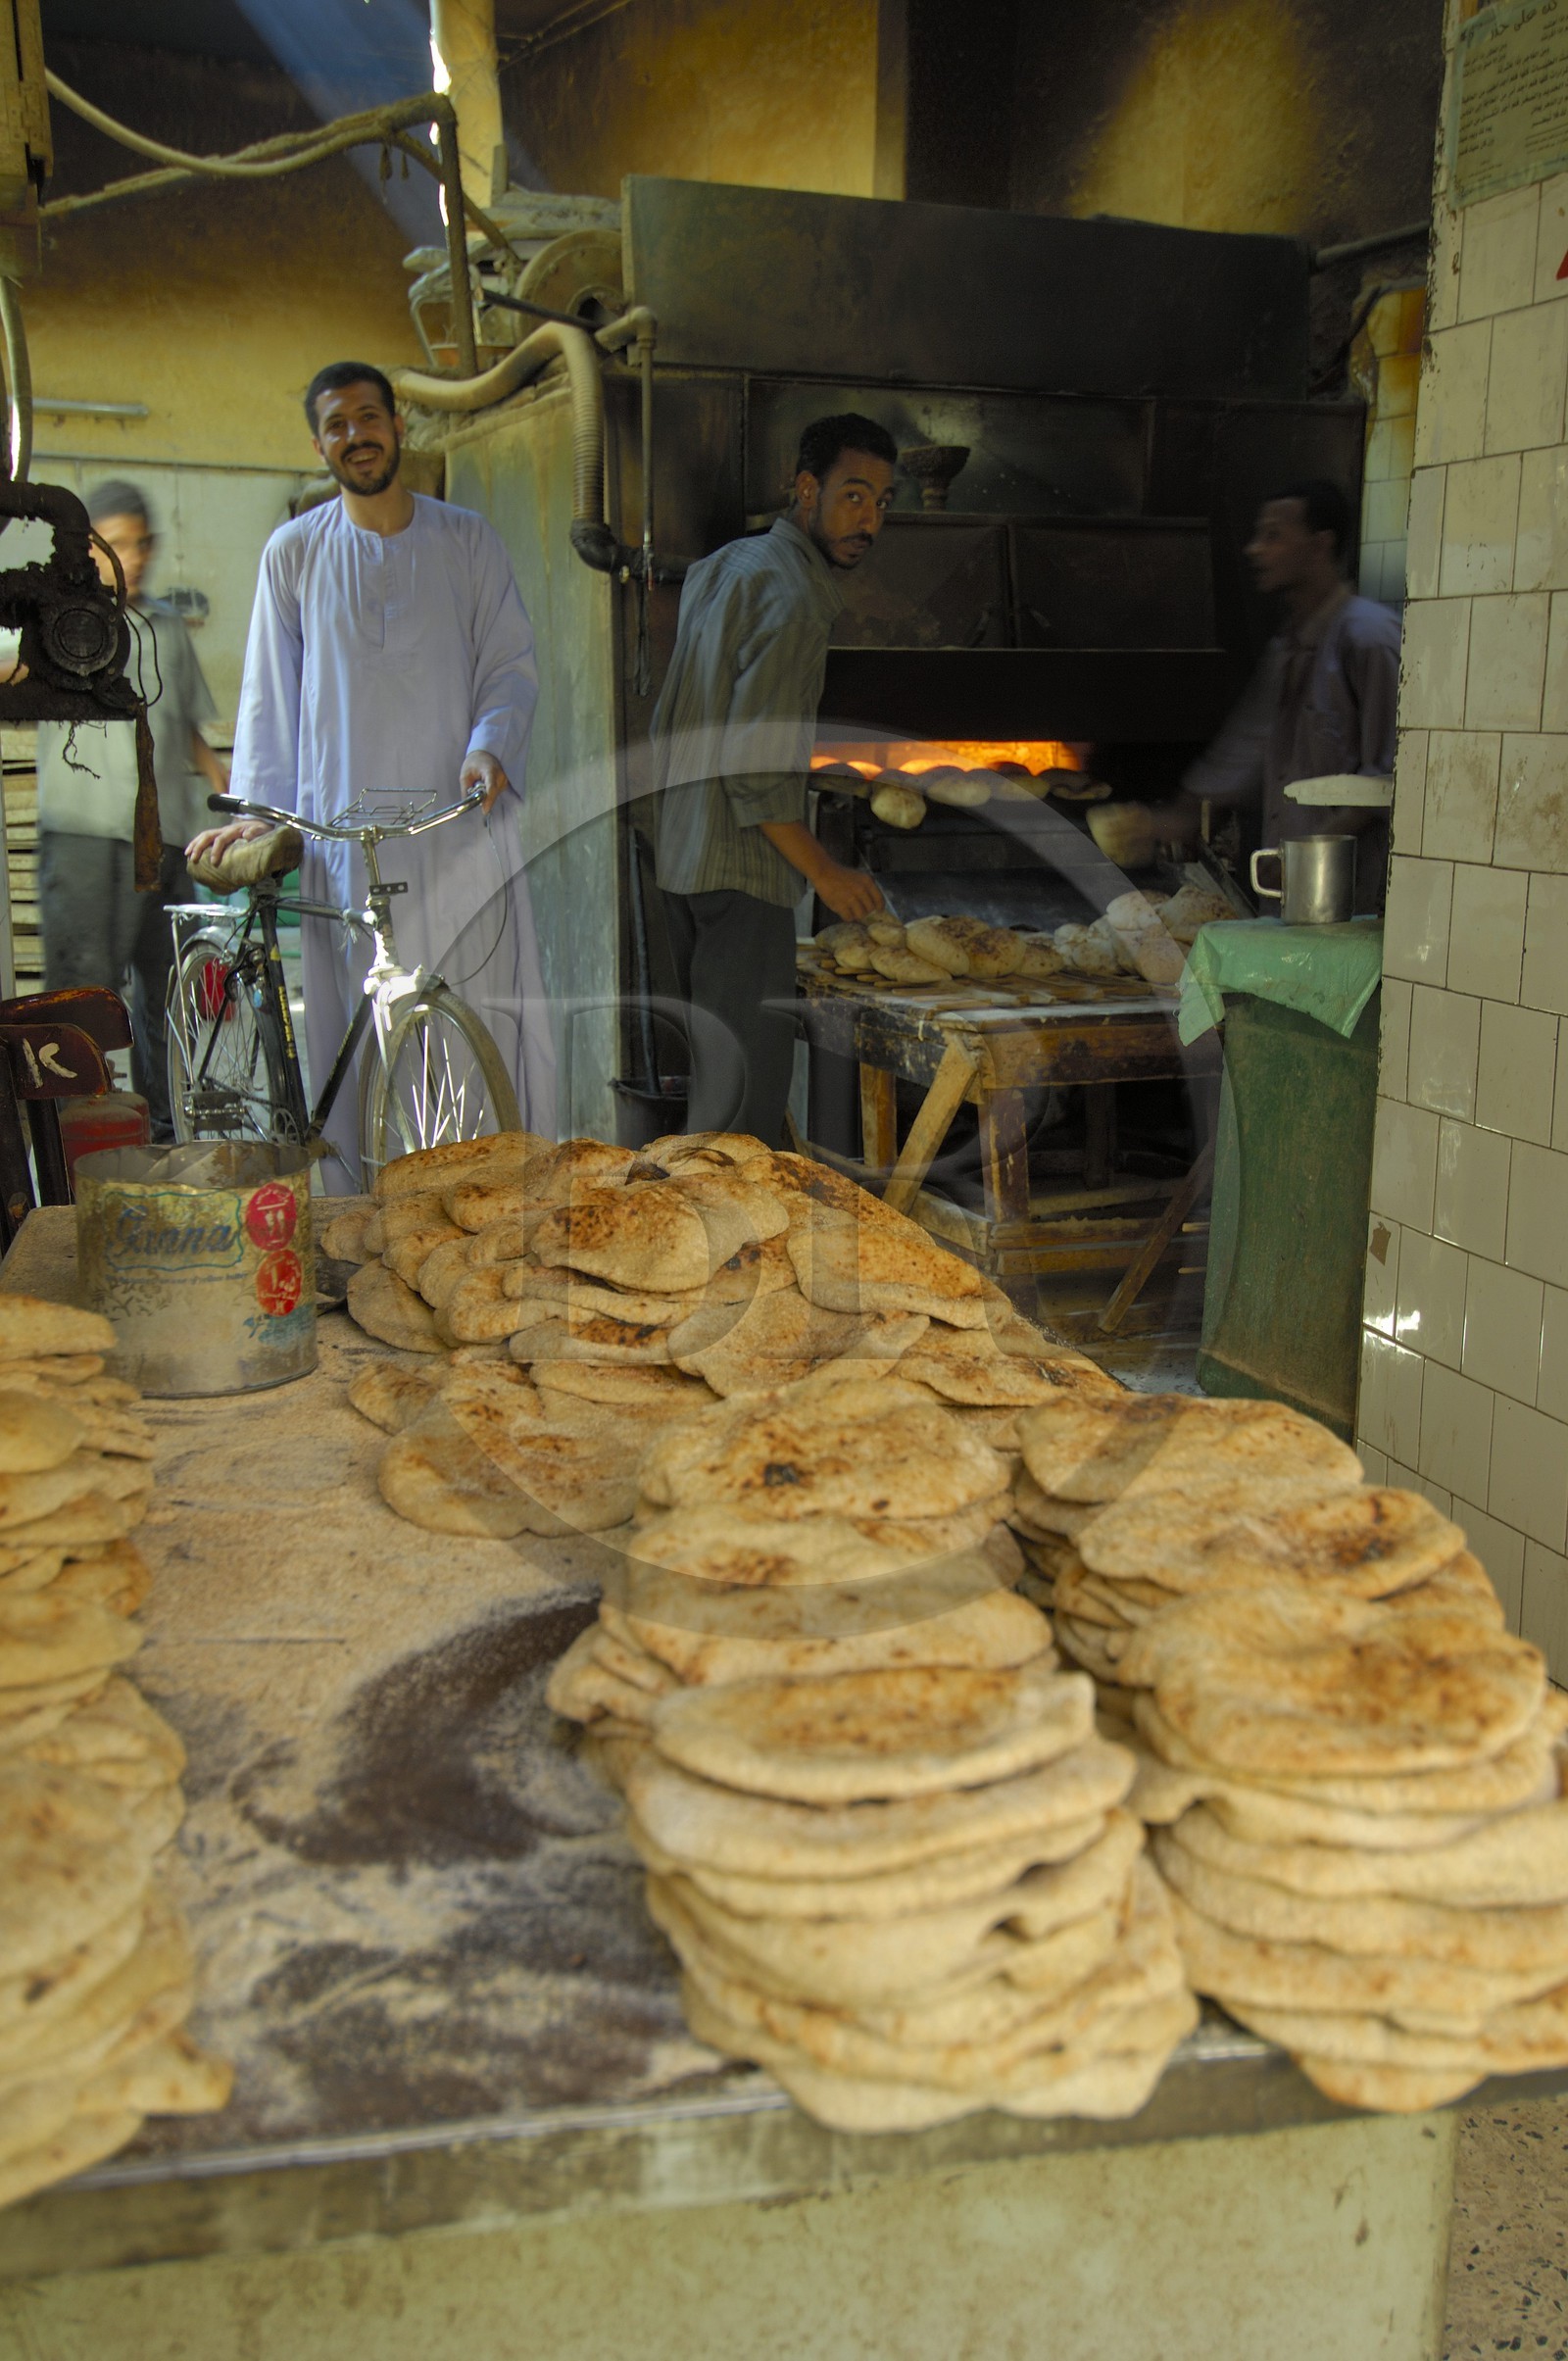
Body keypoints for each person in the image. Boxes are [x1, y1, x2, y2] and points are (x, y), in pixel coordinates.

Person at [187, 361, 556, 1188]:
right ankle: (363, 1213)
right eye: (336, 424)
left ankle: (481, 1195)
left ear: (398, 424)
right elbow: (268, 698)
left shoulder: (468, 541)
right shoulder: (293, 554)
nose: (356, 435)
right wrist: (261, 809)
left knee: (472, 1013)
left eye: (368, 416)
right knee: (358, 1029)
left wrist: (490, 747)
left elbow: (510, 665)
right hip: (346, 840)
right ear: (319, 443)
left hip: (456, 826)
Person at [651, 413, 893, 1145]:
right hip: (747, 878)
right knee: (739, 1125)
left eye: (883, 503)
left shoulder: (727, 567)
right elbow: (755, 777)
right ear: (806, 488)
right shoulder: (792, 601)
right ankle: (724, 1256)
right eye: (853, 496)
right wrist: (827, 872)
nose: (869, 521)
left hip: (685, 862)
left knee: (720, 1097)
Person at [26, 480, 227, 1139]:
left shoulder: (166, 626)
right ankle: (71, 1146)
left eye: (140, 544)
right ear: (87, 548)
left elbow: (189, 731)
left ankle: (163, 1133)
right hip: (87, 841)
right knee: (83, 999)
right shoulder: (59, 624)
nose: (131, 558)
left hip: (163, 840)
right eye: (116, 545)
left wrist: (230, 792)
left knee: (167, 993)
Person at [1168, 478, 1400, 901]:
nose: (1254, 549)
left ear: (1318, 546)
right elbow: (1242, 753)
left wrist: (1302, 858)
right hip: (1288, 900)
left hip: (1352, 909)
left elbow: (1385, 781)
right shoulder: (1287, 648)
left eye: (1273, 535)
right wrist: (1170, 818)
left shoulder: (1369, 638)